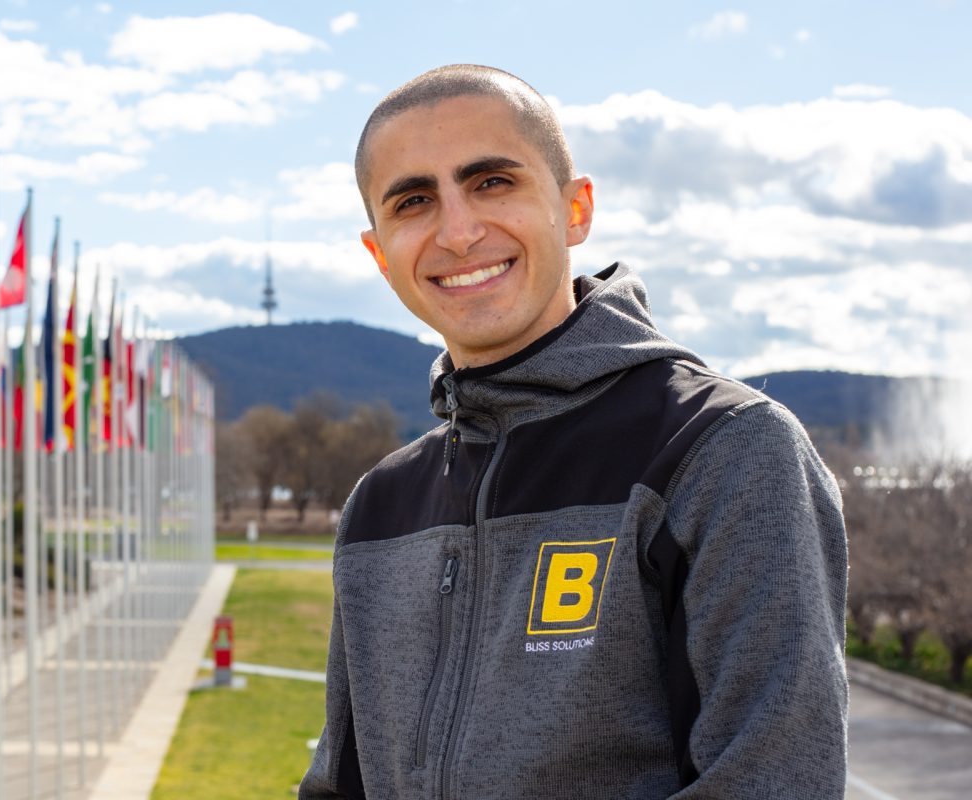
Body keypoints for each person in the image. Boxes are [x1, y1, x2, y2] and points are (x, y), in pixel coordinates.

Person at [299, 64, 848, 799]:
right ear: (380, 253)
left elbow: (775, 781)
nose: (459, 232)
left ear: (577, 209)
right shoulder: (380, 508)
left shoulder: (721, 449)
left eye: (492, 182)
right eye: (414, 201)